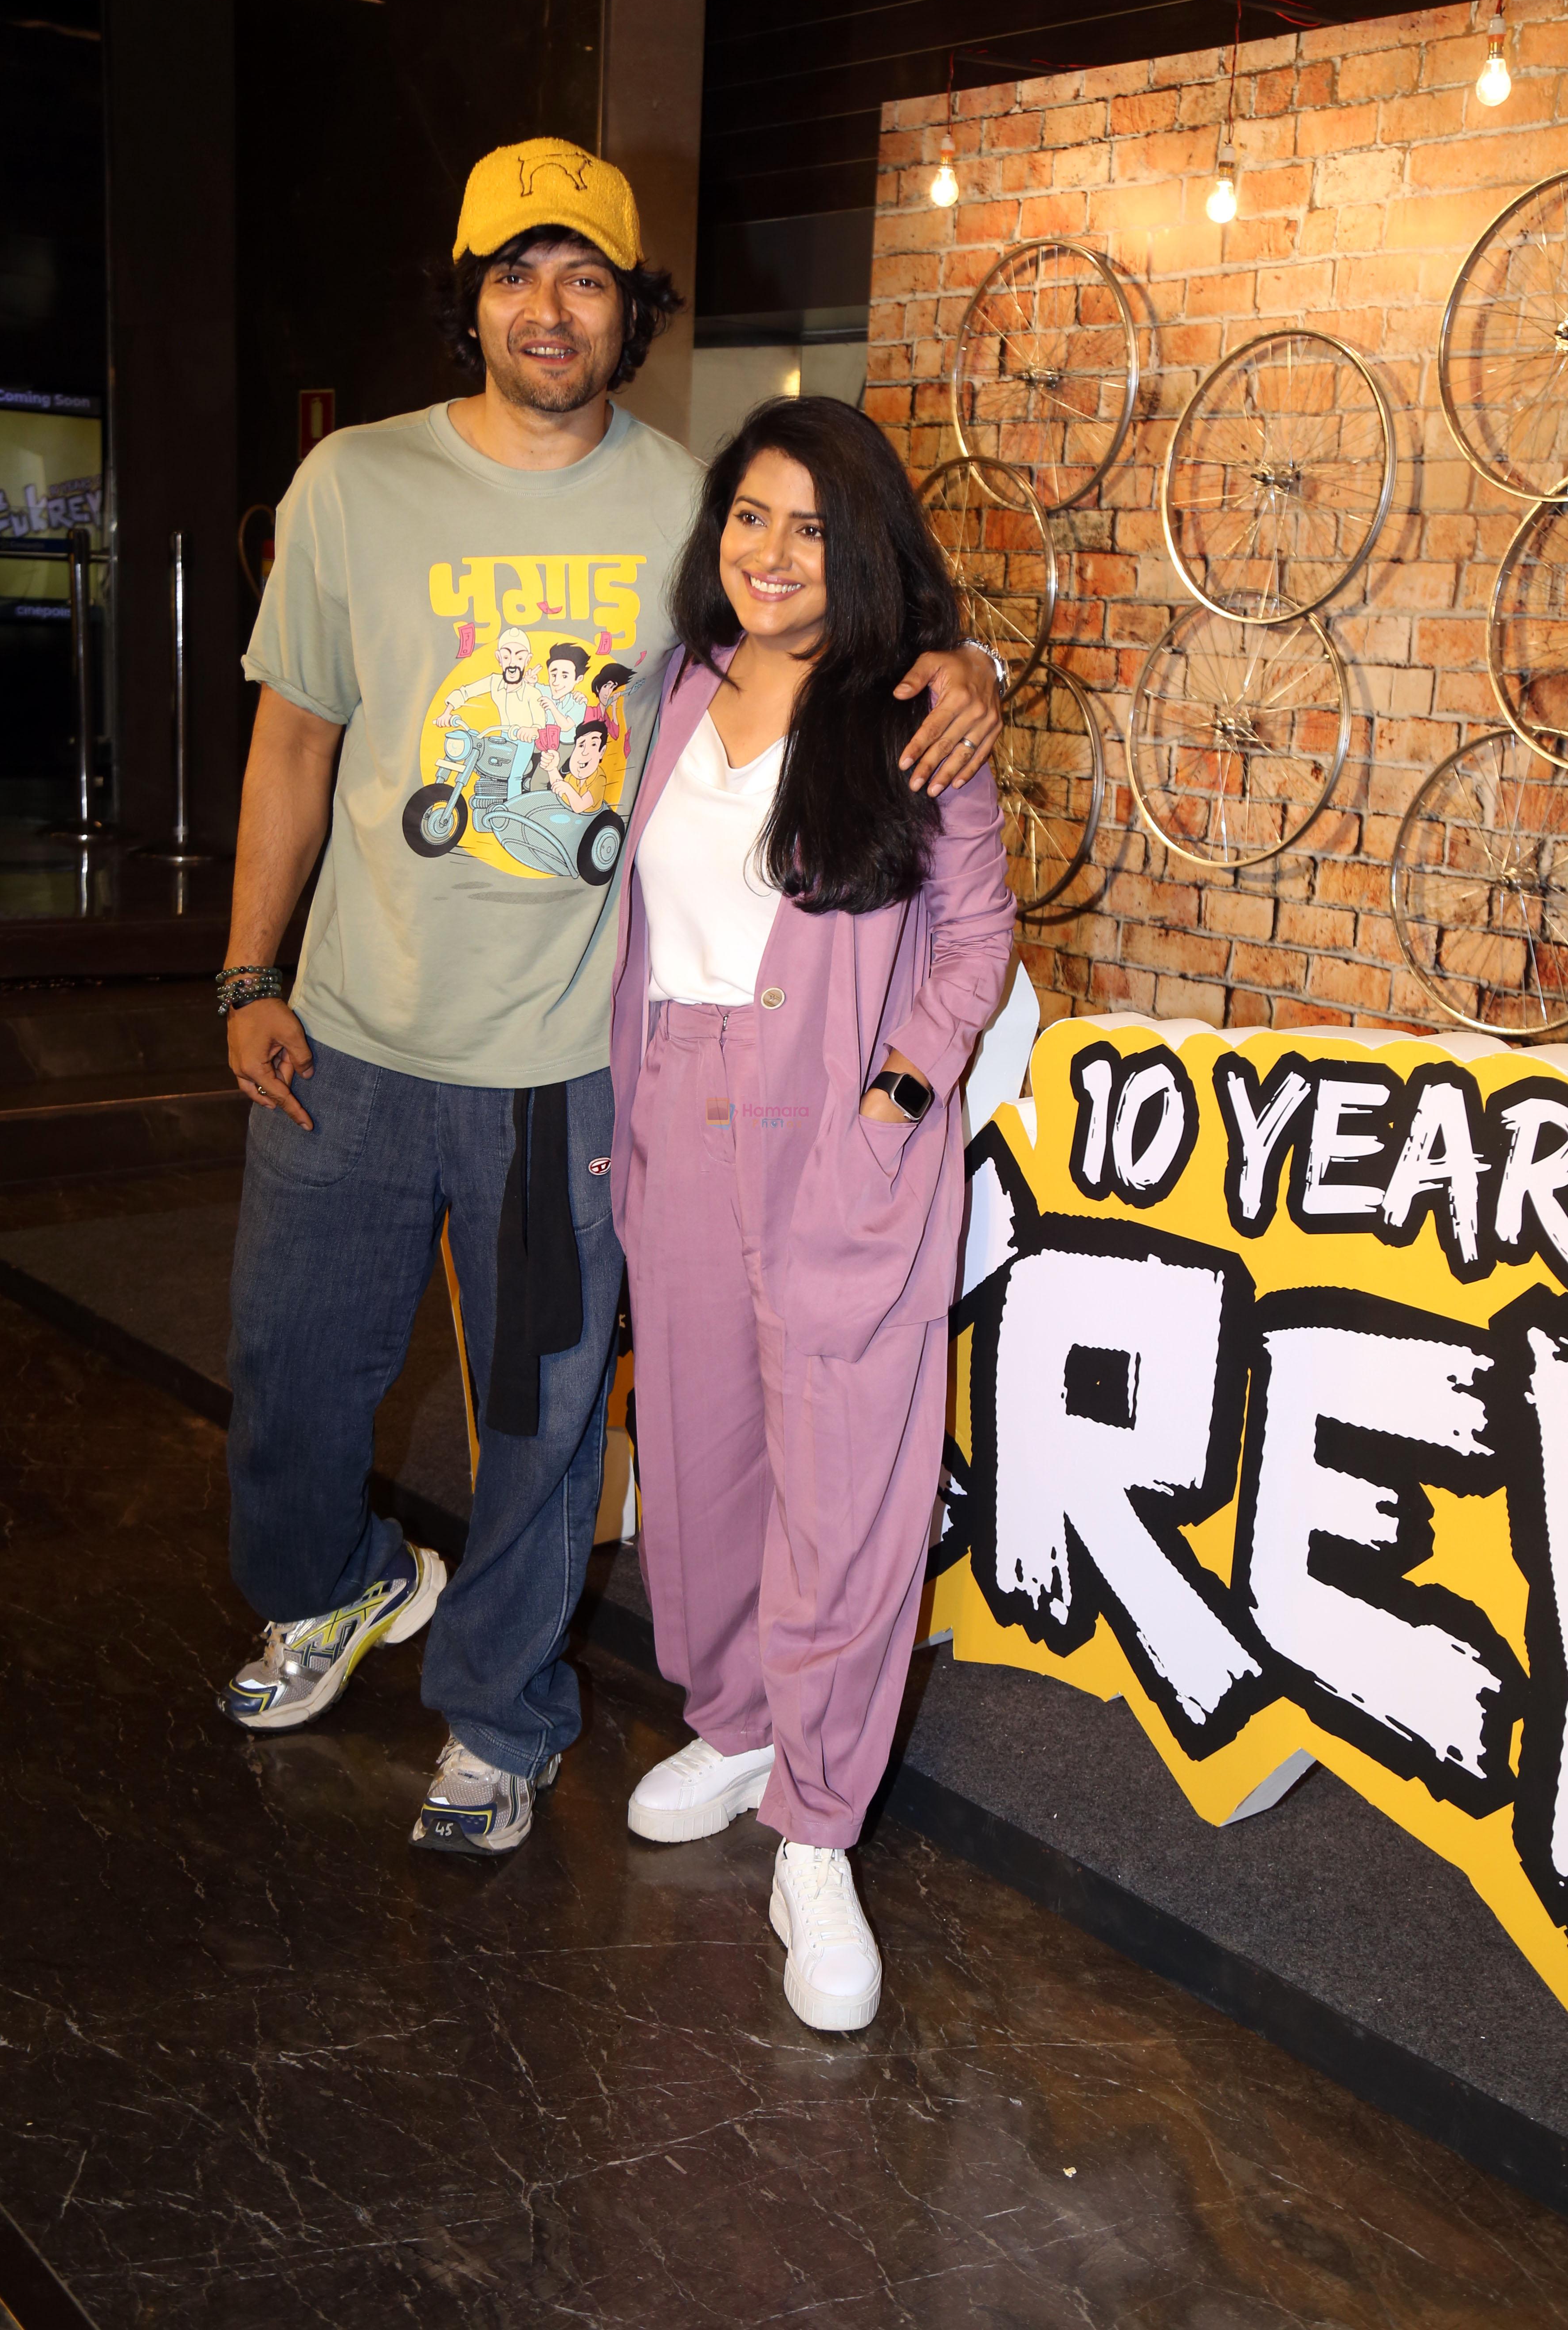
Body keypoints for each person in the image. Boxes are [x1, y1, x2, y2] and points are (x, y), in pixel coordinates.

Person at [215, 135, 1004, 1861]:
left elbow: (843, 618)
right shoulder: (355, 483)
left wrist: (964, 662)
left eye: (584, 275)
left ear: (630, 309)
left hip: (568, 1065)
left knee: (544, 1418)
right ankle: (336, 1586)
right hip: (347, 1030)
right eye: (514, 272)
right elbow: (292, 739)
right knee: (289, 1370)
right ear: (471, 300)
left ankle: (504, 1715)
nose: (547, 306)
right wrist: (248, 972)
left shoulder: (686, 503)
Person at [609, 396, 1014, 2027]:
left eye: (814, 530)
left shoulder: (917, 710)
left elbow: (973, 942)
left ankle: (820, 1828)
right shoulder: (671, 694)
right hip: (678, 1111)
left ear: (869, 553)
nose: (774, 555)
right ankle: (735, 1717)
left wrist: (895, 1102)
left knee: (847, 1476)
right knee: (702, 1453)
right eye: (752, 518)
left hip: (838, 1122)